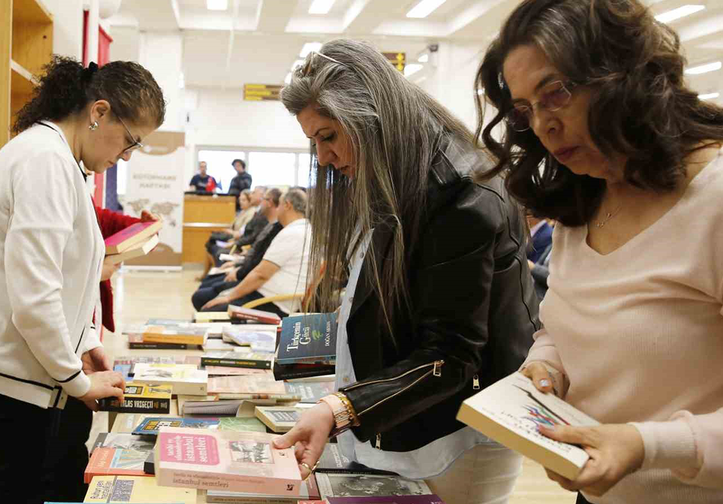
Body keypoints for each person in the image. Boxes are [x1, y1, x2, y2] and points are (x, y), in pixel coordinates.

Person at [271, 40, 539, 504]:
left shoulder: (461, 200)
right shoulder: (391, 176)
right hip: (390, 423)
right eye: (313, 141)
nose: (322, 158)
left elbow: (452, 354)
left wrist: (342, 406)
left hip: (449, 441)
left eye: (329, 136)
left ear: (372, 118)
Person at [475, 1, 723, 502]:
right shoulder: (586, 197)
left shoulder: (713, 201)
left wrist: (645, 445)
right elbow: (565, 325)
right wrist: (546, 368)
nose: (543, 125)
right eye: (526, 110)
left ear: (624, 76)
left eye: (557, 93)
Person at [0, 56, 165, 504]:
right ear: (100, 112)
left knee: (57, 469)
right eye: (129, 142)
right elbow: (35, 295)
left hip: (35, 357)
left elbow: (68, 274)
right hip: (15, 363)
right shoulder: (44, 162)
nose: (124, 156)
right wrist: (77, 381)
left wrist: (86, 341)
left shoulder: (60, 159)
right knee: (18, 487)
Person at [201, 188, 311, 318]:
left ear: (287, 205)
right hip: (272, 297)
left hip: (270, 303)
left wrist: (228, 298)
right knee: (212, 298)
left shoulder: (292, 233)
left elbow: (261, 274)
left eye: (280, 205)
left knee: (207, 311)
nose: (277, 210)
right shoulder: (305, 229)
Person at [192, 189, 285, 310]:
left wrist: (237, 269)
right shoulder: (271, 225)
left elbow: (260, 269)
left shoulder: (278, 230)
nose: (258, 200)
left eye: (263, 198)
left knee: (202, 296)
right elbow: (256, 255)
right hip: (246, 270)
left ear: (270, 202)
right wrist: (238, 263)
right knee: (206, 285)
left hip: (253, 281)